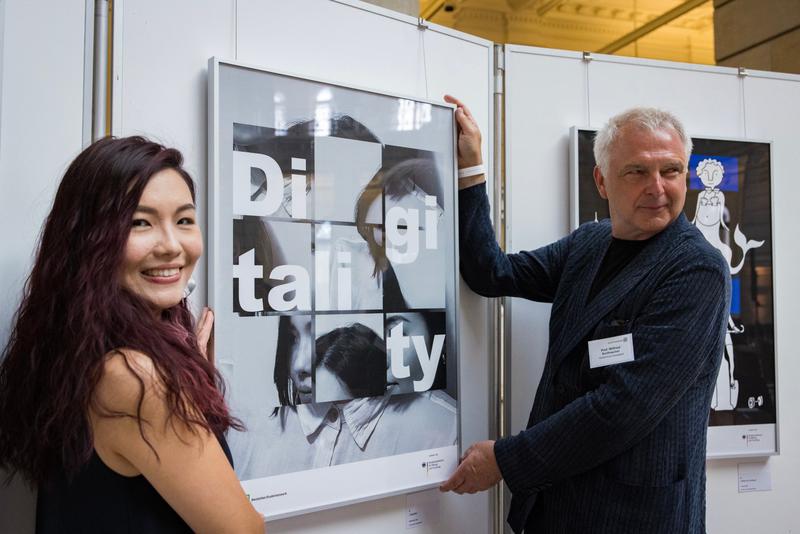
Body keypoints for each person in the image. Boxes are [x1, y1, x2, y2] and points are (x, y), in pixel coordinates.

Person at [440, 96, 730, 534]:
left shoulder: (697, 268)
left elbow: (626, 406)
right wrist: (471, 169)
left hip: (635, 518)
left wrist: (504, 459)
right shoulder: (588, 245)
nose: (657, 187)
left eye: (670, 170)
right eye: (637, 171)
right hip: (555, 507)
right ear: (601, 180)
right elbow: (491, 273)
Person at [0, 137, 264, 533]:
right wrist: (178, 389)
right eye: (140, 222)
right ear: (89, 239)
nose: (172, 246)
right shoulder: (136, 378)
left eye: (184, 220)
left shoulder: (72, 348)